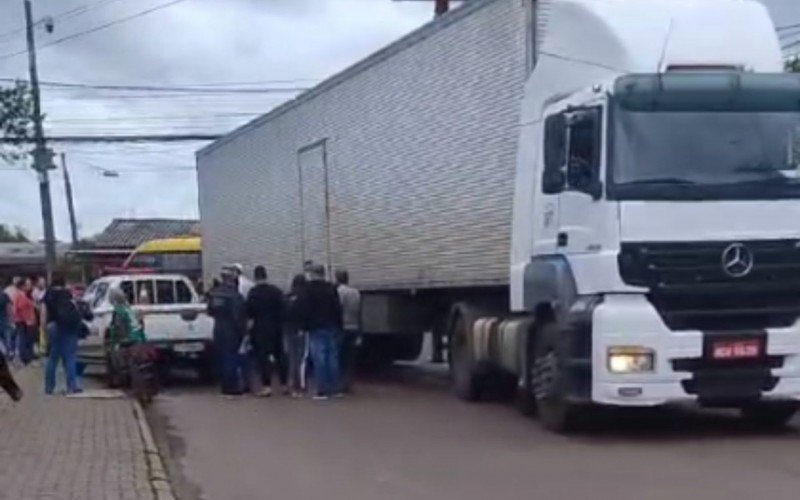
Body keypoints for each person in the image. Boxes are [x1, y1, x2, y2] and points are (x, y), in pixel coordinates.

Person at [296, 263, 343, 400]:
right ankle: (335, 388)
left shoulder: (307, 289)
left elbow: (304, 309)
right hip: (332, 326)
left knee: (319, 358)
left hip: (315, 327)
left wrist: (303, 326)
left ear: (313, 274)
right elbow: (337, 308)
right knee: (333, 357)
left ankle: (322, 390)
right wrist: (339, 325)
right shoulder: (332, 288)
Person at [42, 274, 89, 395]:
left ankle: (49, 387)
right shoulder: (68, 294)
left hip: (53, 326)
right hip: (69, 327)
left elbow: (43, 314)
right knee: (70, 357)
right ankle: (72, 386)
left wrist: (44, 329)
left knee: (53, 358)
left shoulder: (48, 294)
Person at [246, 265, 286, 397]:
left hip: (260, 329)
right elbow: (284, 308)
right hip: (276, 327)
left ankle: (267, 386)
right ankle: (284, 384)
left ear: (255, 277)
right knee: (280, 356)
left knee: (263, 358)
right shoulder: (275, 291)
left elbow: (249, 313)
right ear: (266, 275)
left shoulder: (253, 293)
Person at [207, 269, 249, 396]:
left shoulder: (214, 294)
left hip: (218, 329)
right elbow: (238, 316)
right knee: (231, 358)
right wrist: (243, 332)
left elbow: (210, 311)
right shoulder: (234, 295)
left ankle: (224, 386)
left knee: (221, 358)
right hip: (231, 331)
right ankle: (232, 387)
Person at [335, 269, 361, 393]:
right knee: (349, 358)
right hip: (354, 326)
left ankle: (339, 384)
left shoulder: (339, 292)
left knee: (339, 356)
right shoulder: (355, 292)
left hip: (342, 327)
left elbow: (338, 309)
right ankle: (348, 382)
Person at [284, 274, 308, 397]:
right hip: (301, 330)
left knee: (292, 358)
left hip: (289, 330)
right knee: (302, 358)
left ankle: (292, 384)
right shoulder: (305, 298)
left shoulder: (287, 297)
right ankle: (300, 385)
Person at [12, 278, 37, 365]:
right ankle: (25, 358)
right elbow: (21, 308)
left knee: (23, 339)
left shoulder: (19, 294)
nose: (27, 287)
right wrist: (26, 319)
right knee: (24, 339)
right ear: (22, 286)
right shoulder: (21, 295)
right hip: (23, 321)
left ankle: (25, 357)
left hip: (22, 320)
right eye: (26, 285)